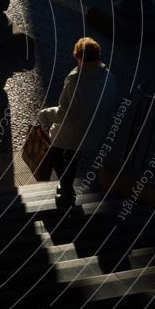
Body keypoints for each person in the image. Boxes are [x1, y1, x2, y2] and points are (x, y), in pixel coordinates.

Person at [38, 37, 117, 207]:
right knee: (73, 157)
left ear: (79, 57)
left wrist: (44, 115)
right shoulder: (109, 78)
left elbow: (67, 113)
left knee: (56, 154)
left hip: (71, 132)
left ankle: (67, 191)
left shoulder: (75, 80)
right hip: (93, 131)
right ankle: (67, 188)